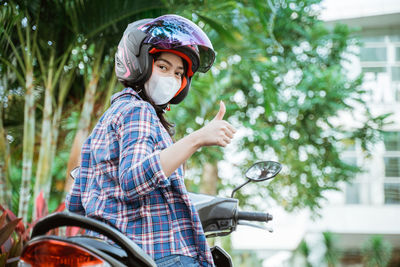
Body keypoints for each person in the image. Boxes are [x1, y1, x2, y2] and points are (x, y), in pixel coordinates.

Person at [65, 14, 236, 267]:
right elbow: (134, 179)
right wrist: (198, 138)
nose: (172, 79)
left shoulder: (104, 124)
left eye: (179, 73)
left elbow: (76, 204)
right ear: (140, 64)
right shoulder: (139, 110)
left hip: (114, 256)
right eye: (163, 67)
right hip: (160, 255)